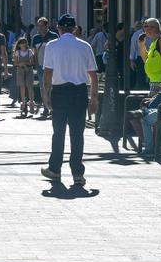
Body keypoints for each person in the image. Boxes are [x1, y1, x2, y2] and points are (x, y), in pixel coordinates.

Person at [40, 14, 98, 186]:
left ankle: (55, 169)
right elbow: (93, 76)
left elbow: (47, 73)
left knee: (58, 133)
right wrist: (94, 98)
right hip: (79, 92)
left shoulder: (52, 46)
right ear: (74, 29)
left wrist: (46, 93)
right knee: (77, 134)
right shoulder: (85, 46)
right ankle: (77, 173)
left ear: (58, 28)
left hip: (60, 91)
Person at [31, 17, 59, 118]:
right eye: (38, 25)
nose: (40, 27)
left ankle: (52, 108)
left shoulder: (54, 36)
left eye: (42, 25)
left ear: (47, 26)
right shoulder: (35, 38)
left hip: (53, 66)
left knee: (52, 87)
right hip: (40, 66)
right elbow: (34, 52)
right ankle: (46, 107)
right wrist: (35, 64)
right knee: (43, 88)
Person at [13, 37, 36, 117]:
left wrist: (24, 63)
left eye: (25, 43)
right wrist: (21, 64)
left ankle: (31, 102)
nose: (23, 44)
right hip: (20, 71)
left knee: (30, 86)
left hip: (28, 70)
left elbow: (32, 62)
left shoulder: (29, 52)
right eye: (22, 43)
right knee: (22, 87)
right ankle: (23, 102)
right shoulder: (17, 52)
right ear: (19, 45)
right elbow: (15, 63)